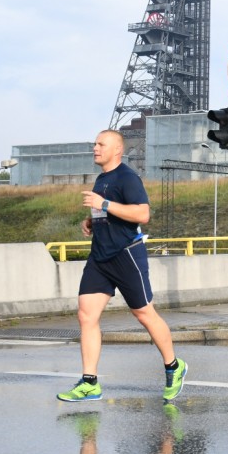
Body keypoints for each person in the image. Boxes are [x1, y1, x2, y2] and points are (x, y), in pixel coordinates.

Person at [57, 129, 186, 403]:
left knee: (144, 313)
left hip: (126, 255)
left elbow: (142, 213)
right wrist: (92, 221)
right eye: (95, 144)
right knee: (86, 316)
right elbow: (110, 212)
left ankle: (174, 366)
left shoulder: (128, 177)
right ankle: (90, 382)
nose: (95, 148)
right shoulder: (101, 179)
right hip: (100, 257)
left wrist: (103, 204)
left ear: (117, 149)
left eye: (101, 144)